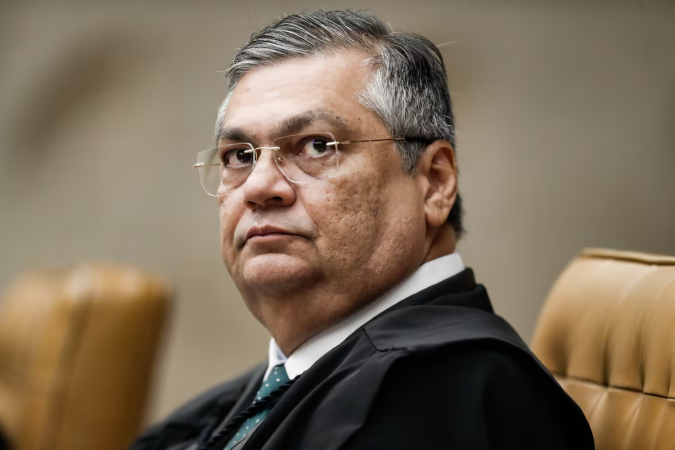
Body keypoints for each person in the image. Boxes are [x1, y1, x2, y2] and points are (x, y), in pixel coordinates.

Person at [131, 9, 594, 450]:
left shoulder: (439, 387)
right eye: (240, 156)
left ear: (435, 183)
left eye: (317, 145)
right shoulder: (271, 386)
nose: (259, 186)